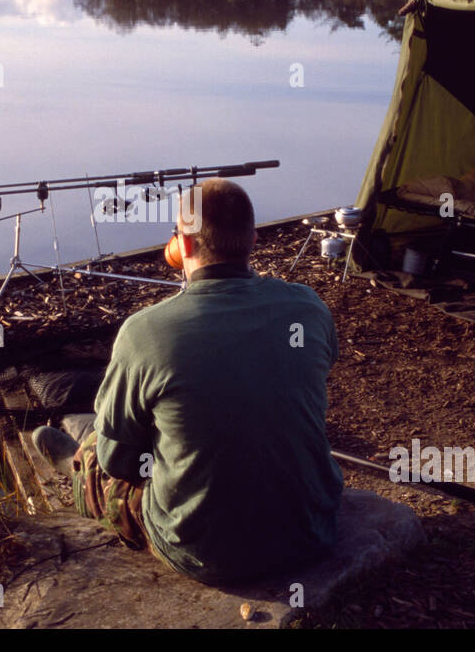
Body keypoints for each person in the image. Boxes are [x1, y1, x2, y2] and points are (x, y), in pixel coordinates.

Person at [32, 178, 343, 585]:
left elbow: (119, 463)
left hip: (206, 552)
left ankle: (77, 470)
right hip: (312, 531)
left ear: (185, 246)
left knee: (100, 454)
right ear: (252, 239)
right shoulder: (309, 306)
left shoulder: (143, 332)